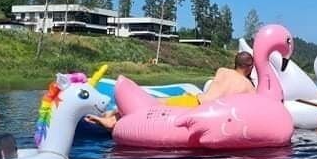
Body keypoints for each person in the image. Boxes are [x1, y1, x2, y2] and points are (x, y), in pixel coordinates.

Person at [85, 52, 256, 130]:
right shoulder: (248, 87)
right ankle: (112, 120)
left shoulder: (222, 71)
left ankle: (113, 113)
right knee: (151, 106)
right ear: (250, 67)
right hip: (203, 111)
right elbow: (258, 107)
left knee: (152, 103)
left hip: (194, 100)